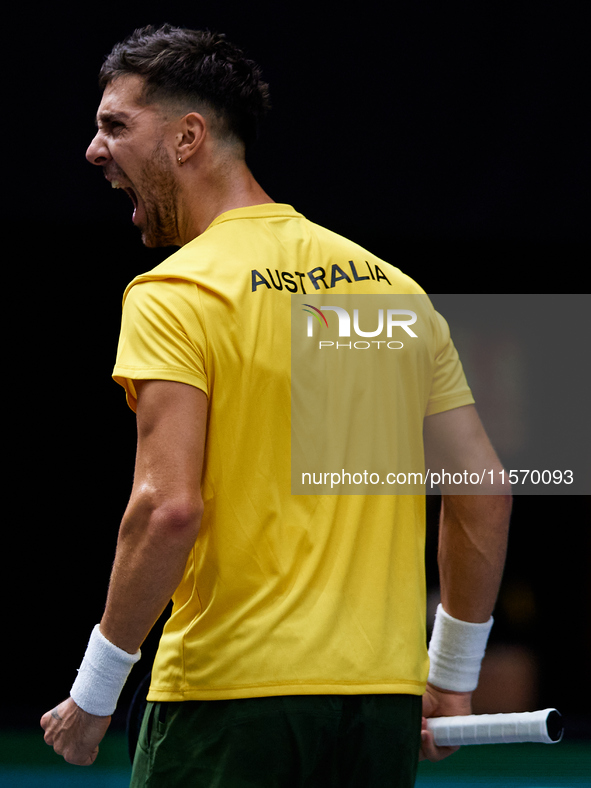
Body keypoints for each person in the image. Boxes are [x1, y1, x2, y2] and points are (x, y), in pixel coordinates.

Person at [41, 24, 512, 787]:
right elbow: (483, 489)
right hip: (377, 706)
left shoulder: (178, 290)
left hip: (229, 698)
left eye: (114, 125)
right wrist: (451, 676)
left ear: (187, 136)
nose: (95, 151)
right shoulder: (393, 291)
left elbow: (167, 508)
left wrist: (95, 692)